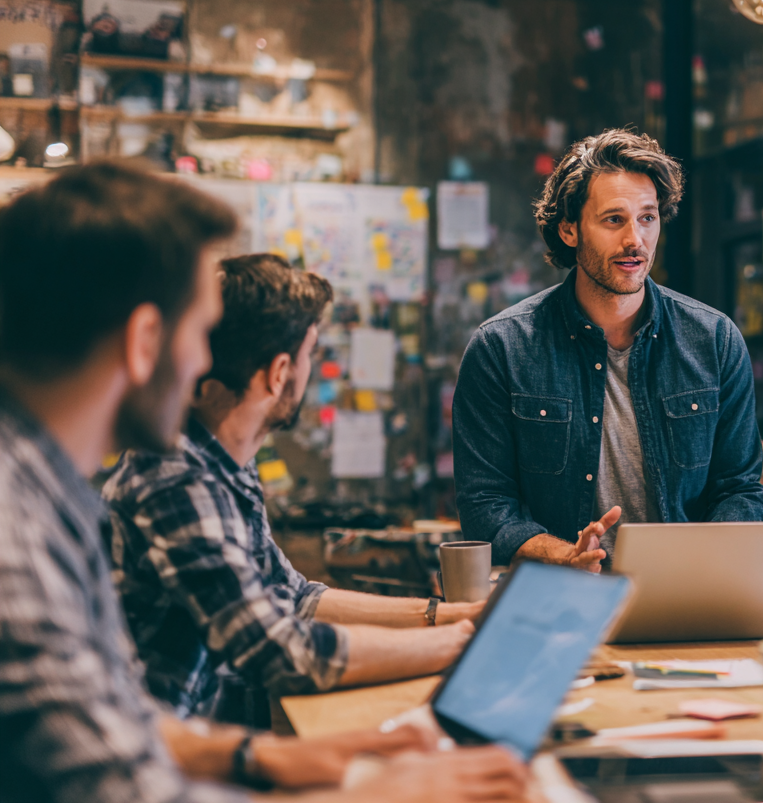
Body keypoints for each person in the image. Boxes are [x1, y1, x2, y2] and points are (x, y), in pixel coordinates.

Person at [0, 161, 526, 802]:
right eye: (198, 330)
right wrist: (378, 794)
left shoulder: (53, 495)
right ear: (144, 341)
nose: (203, 360)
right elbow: (119, 790)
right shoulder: (17, 531)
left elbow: (126, 723)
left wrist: (289, 759)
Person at [104, 253, 483, 727]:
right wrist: (453, 643)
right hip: (159, 762)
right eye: (311, 354)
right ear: (279, 371)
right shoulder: (177, 479)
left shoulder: (224, 465)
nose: (311, 367)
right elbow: (281, 652)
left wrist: (446, 615)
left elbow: (296, 598)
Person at [453, 128, 763, 570]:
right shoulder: (501, 348)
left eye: (647, 218)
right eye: (614, 219)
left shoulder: (714, 340)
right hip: (557, 599)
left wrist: (704, 564)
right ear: (569, 229)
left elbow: (739, 488)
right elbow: (485, 507)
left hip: (684, 594)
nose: (635, 240)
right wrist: (567, 555)